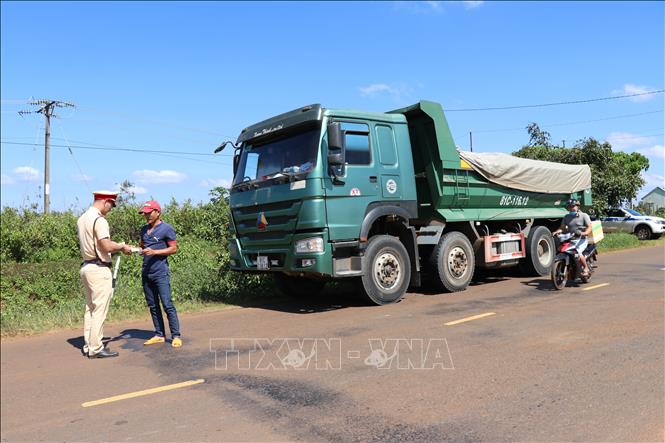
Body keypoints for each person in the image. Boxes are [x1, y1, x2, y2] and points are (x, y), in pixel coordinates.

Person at [77, 190, 133, 359]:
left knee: (91, 308)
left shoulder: (82, 218)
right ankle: (96, 347)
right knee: (100, 309)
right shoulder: (99, 220)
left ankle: (89, 344)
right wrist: (122, 246)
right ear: (105, 201)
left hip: (87, 266)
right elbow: (106, 246)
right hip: (99, 269)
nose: (111, 208)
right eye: (111, 204)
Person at [138, 200, 182, 347]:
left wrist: (155, 252)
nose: (147, 216)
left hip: (160, 272)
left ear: (158, 212)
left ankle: (175, 335)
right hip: (146, 272)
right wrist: (136, 250)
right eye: (145, 213)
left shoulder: (166, 229)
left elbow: (174, 249)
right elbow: (142, 246)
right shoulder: (144, 230)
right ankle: (159, 334)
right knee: (153, 305)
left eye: (149, 213)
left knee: (167, 304)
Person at [552, 198, 593, 277]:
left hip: (582, 239)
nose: (571, 208)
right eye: (569, 207)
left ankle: (586, 268)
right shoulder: (567, 217)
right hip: (572, 239)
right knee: (562, 250)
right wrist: (557, 231)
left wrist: (584, 233)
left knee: (577, 252)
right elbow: (562, 227)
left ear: (577, 206)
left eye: (573, 206)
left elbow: (589, 227)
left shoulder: (584, 215)